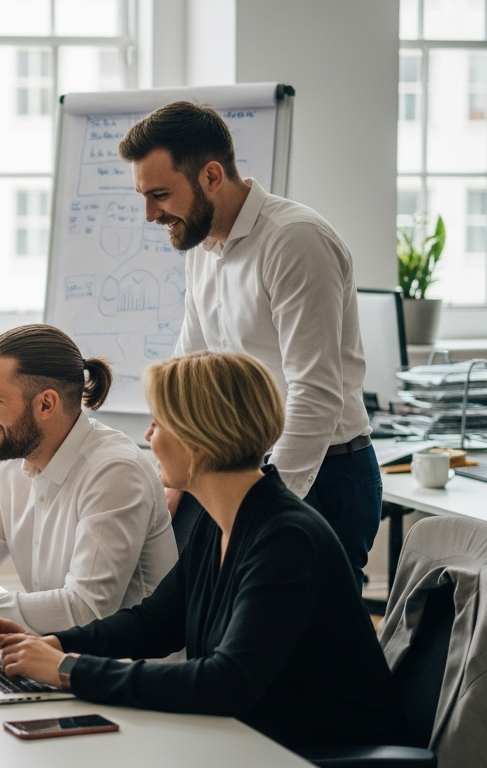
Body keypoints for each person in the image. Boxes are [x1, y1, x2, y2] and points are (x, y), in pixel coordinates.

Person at [0, 351, 403, 752]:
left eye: (158, 423)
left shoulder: (285, 538)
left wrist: (68, 669)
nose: (148, 436)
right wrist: (50, 642)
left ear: (199, 440)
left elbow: (227, 681)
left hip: (318, 752)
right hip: (253, 737)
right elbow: (156, 623)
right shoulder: (221, 521)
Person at [119, 100, 379, 591]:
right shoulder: (202, 246)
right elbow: (186, 373)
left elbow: (315, 394)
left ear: (212, 176)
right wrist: (171, 479)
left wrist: (265, 508)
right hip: (240, 468)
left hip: (322, 469)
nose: (151, 214)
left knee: (311, 651)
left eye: (160, 195)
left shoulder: (294, 242)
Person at [0, 324, 176, 634]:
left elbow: (87, 610)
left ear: (46, 404)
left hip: (127, 669)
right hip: (57, 654)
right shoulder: (13, 465)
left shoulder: (114, 472)